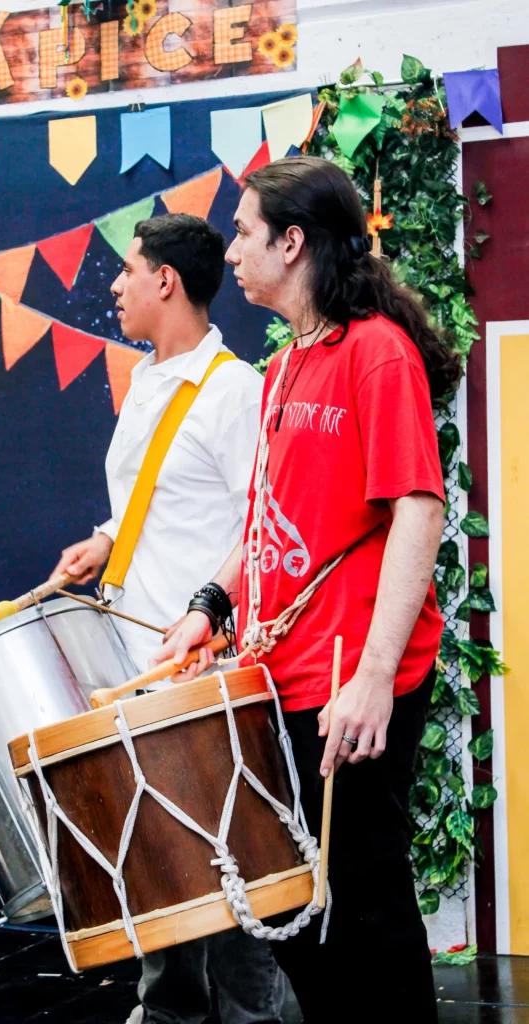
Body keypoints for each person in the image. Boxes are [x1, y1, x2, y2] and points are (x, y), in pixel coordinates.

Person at [155, 157, 462, 1024]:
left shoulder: (376, 353)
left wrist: (371, 676)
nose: (232, 253)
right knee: (298, 914)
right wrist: (209, 606)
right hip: (284, 678)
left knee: (364, 906)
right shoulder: (287, 364)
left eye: (244, 234)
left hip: (354, 682)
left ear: (292, 243)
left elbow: (417, 508)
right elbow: (268, 519)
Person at [51, 213, 296, 1024]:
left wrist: (215, 622)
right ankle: (168, 1013)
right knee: (158, 863)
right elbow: (156, 497)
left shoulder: (233, 391)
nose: (114, 284)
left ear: (165, 280)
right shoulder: (145, 379)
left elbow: (260, 526)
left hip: (202, 665)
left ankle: (254, 1016)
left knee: (224, 863)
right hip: (137, 661)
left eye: (127, 269)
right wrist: (105, 538)